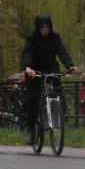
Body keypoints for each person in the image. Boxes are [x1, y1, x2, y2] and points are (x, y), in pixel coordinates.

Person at [22, 14, 78, 144]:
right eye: (42, 27)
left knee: (58, 83)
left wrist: (70, 65)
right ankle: (31, 131)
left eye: (47, 27)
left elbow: (61, 51)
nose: (45, 30)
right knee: (34, 99)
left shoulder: (55, 37)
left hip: (49, 67)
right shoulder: (32, 38)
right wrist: (28, 67)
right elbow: (27, 52)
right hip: (34, 70)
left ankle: (59, 110)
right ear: (38, 27)